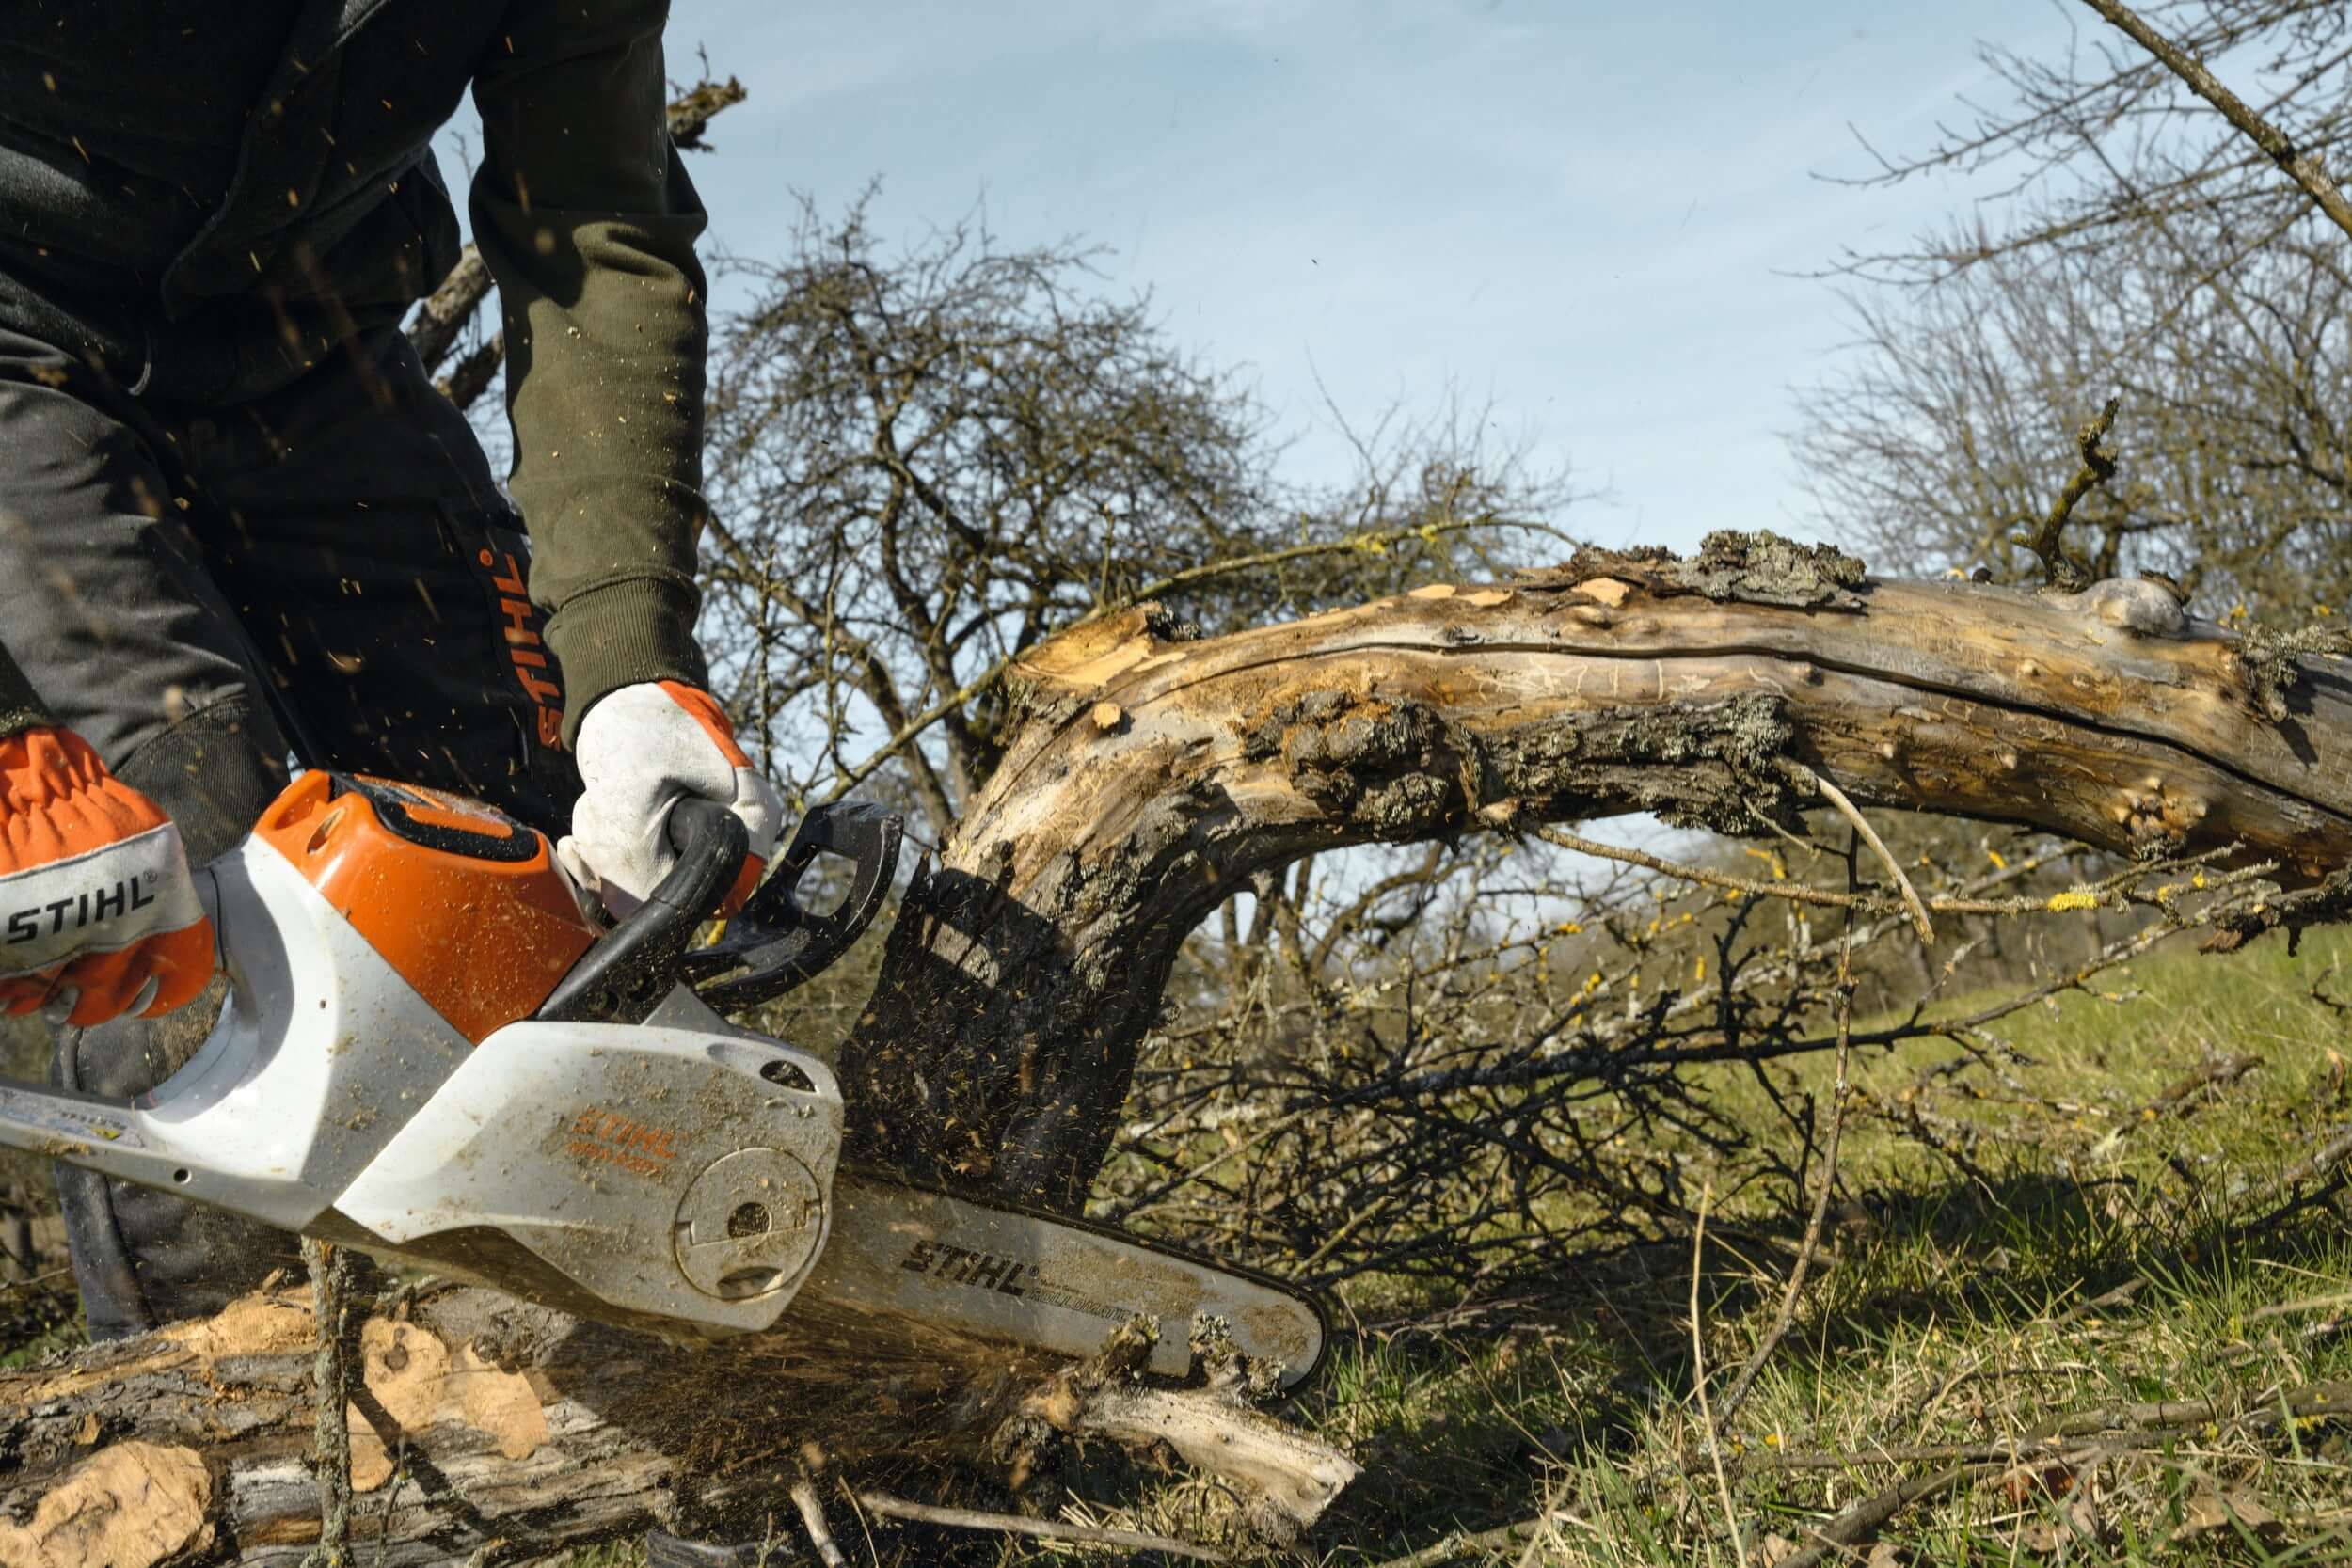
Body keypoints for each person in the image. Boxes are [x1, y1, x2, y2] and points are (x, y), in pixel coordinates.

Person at [0, 1, 785, 1339]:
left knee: (513, 869)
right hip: (14, 328)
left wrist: (630, 671)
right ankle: (217, 1465)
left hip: (311, 334)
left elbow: (592, 222)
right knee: (203, 882)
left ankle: (645, 1419)